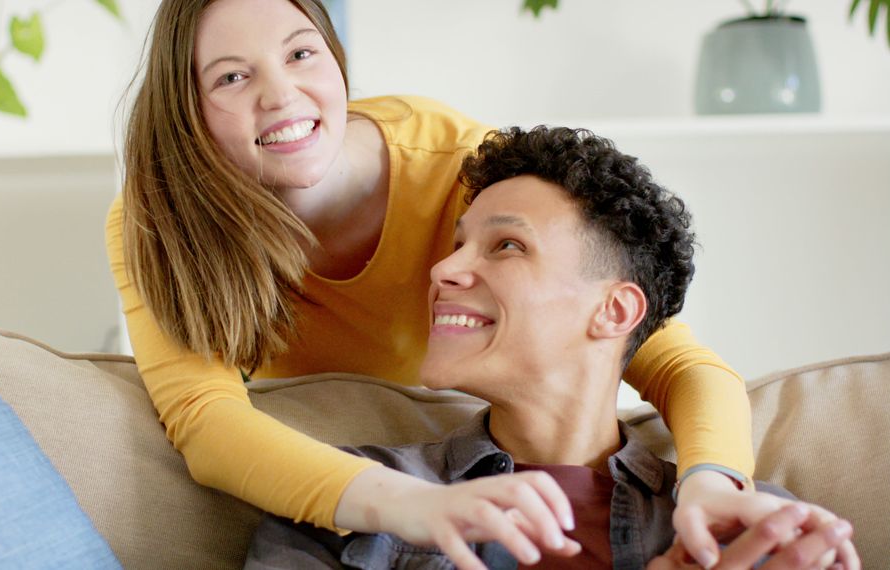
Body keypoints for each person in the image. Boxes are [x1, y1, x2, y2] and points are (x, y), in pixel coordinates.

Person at [106, 0, 770, 564]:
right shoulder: (162, 218)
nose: (279, 94)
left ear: (337, 60)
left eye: (302, 53)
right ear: (187, 109)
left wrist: (712, 486)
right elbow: (206, 421)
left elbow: (669, 356)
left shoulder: (465, 170)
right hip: (361, 469)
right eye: (230, 76)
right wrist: (408, 505)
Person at [244, 126, 859, 569]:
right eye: (456, 246)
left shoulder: (754, 529)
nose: (443, 270)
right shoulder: (353, 504)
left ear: (613, 311)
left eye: (506, 246)